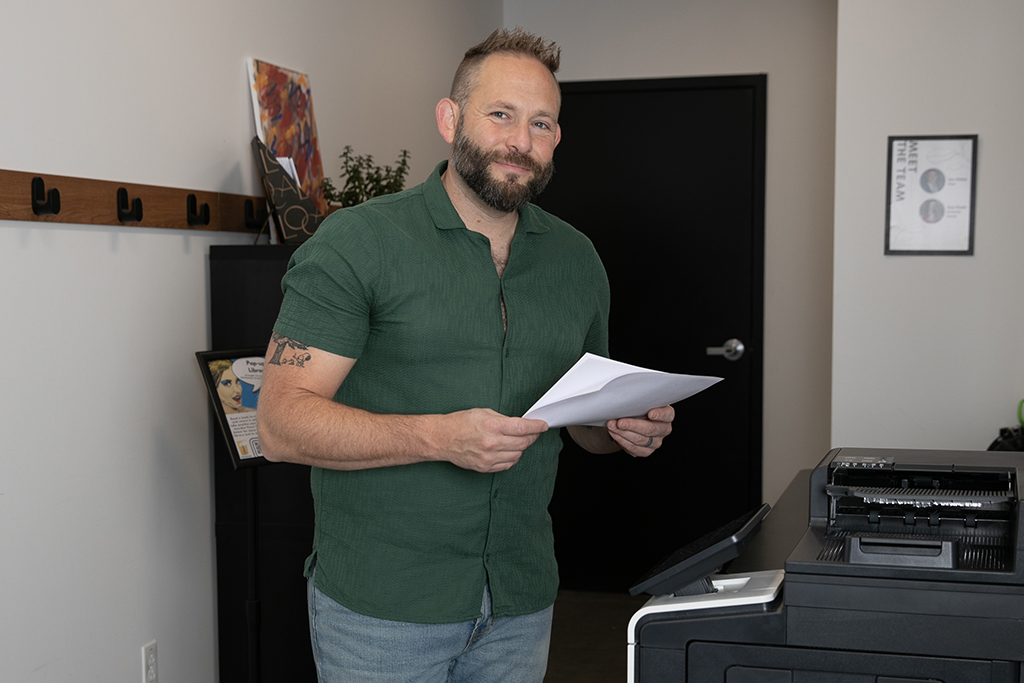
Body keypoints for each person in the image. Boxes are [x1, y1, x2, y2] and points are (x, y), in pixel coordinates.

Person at [256, 27, 675, 683]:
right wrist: (440, 436)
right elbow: (279, 424)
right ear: (450, 120)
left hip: (521, 599)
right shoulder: (358, 243)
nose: (520, 140)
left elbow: (583, 418)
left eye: (541, 123)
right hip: (382, 609)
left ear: (556, 139)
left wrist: (622, 426)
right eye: (501, 115)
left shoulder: (578, 260)